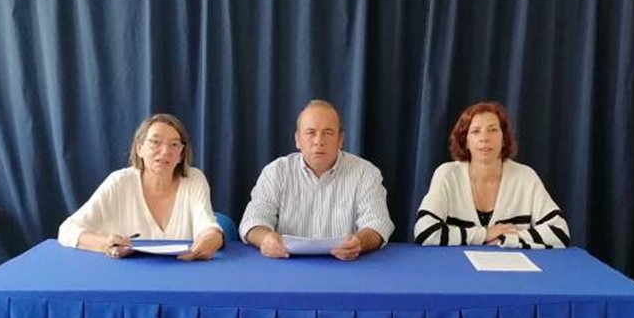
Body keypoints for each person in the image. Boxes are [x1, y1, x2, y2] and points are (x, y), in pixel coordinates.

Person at [239, 99, 394, 260]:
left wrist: (359, 242)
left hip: (346, 266)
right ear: (298, 139)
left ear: (340, 140)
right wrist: (265, 239)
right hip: (287, 264)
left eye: (328, 133)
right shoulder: (276, 172)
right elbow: (252, 220)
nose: (319, 141)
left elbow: (377, 224)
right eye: (310, 132)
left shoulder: (365, 173)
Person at [57, 113, 224, 260]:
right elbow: (67, 230)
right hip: (125, 275)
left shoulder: (194, 179)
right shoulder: (119, 182)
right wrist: (106, 243)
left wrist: (212, 238)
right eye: (155, 142)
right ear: (139, 148)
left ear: (181, 155)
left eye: (174, 144)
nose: (165, 151)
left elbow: (208, 226)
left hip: (181, 270)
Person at [414, 101, 569, 248]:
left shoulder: (526, 177)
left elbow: (560, 232)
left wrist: (507, 239)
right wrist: (485, 234)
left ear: (504, 139)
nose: (485, 138)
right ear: (465, 141)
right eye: (475, 131)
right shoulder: (447, 175)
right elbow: (424, 232)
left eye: (493, 130)